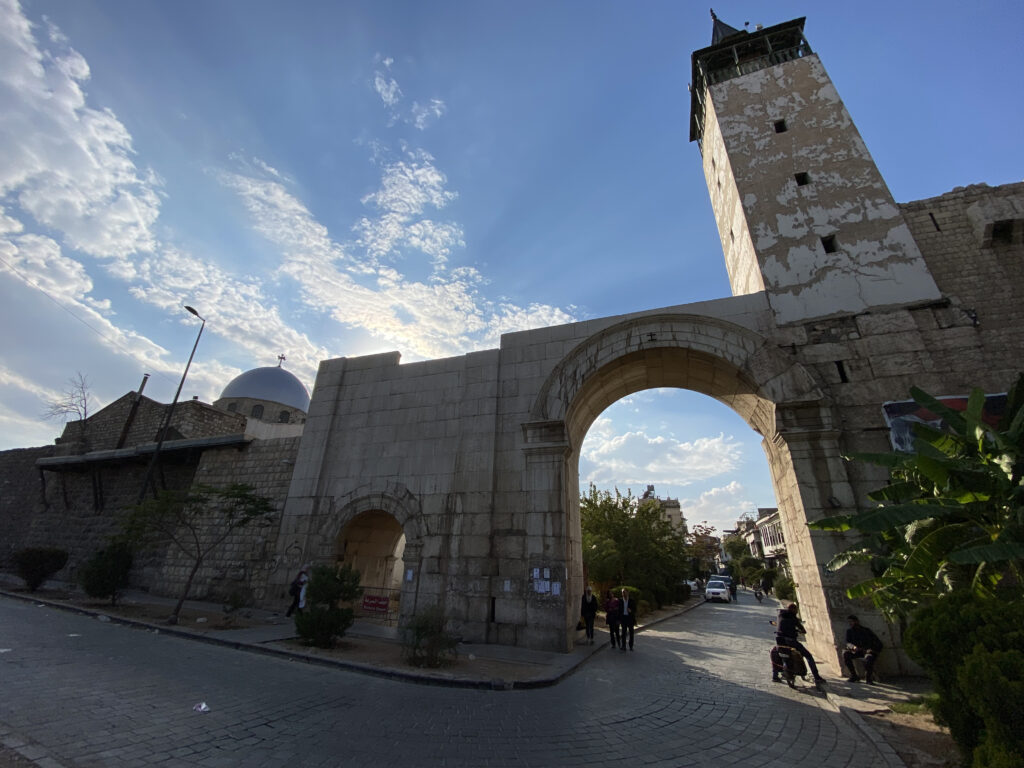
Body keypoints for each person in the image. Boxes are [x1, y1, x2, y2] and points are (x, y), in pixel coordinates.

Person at [772, 603, 824, 683]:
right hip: (791, 641)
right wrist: (800, 630)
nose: (796, 611)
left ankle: (775, 676)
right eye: (796, 609)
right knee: (808, 656)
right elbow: (803, 630)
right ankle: (816, 676)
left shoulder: (780, 615)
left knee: (776, 653)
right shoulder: (793, 618)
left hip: (780, 640)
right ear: (793, 610)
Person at [843, 615, 883, 684]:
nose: (850, 623)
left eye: (851, 622)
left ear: (856, 621)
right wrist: (853, 647)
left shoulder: (866, 631)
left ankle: (868, 678)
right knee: (845, 653)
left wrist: (871, 649)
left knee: (869, 658)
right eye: (849, 622)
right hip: (857, 651)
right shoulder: (849, 631)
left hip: (867, 651)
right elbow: (848, 643)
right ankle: (854, 676)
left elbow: (878, 643)